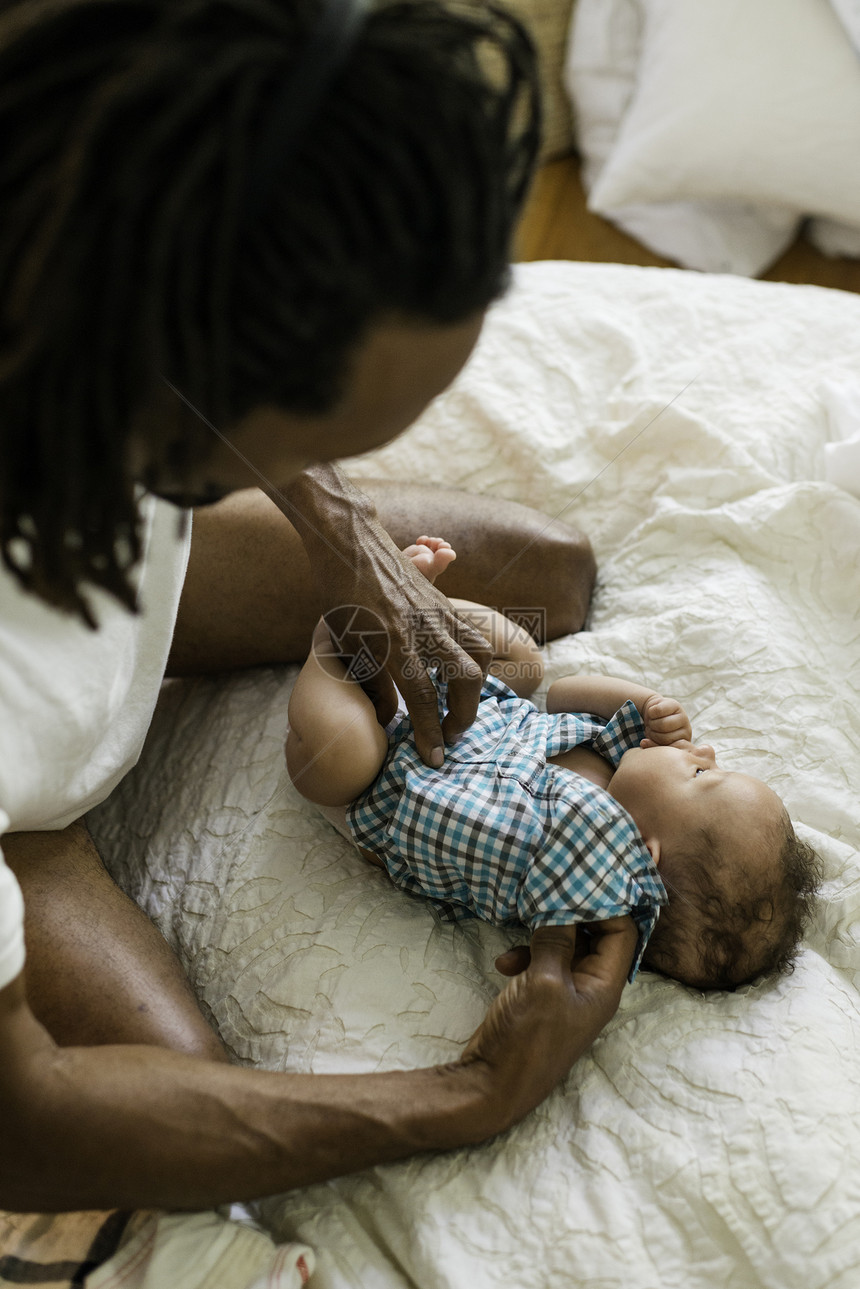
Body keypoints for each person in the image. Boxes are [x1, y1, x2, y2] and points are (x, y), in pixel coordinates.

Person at [0, 0, 636, 1215]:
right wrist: (472, 1092)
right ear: (166, 391)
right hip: (21, 792)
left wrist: (336, 527)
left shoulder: (83, 140)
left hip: (94, 519)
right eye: (314, 440)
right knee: (162, 1109)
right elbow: (26, 1117)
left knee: (540, 571)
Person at [288, 537, 822, 992]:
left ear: (643, 852)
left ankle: (330, 645)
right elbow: (564, 694)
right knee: (523, 658)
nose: (703, 751)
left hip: (380, 784)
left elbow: (582, 938)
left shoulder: (578, 870)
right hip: (470, 704)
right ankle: (417, 606)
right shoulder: (619, 759)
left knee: (341, 756)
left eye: (703, 776)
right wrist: (646, 703)